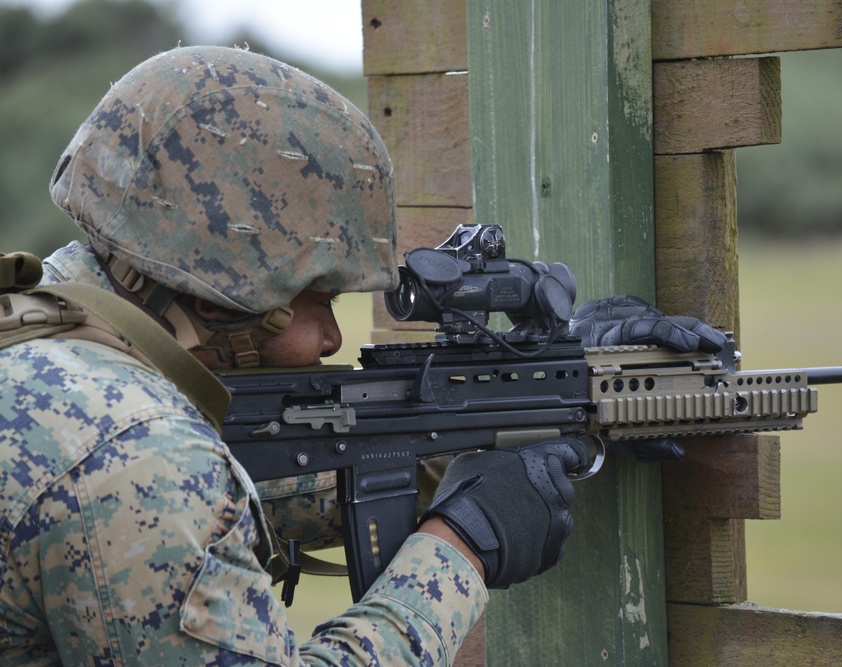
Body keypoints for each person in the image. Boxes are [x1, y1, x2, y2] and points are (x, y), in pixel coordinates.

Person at [0, 46, 725, 665]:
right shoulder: (135, 453)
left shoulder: (41, 341)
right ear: (218, 293)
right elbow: (161, 493)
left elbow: (238, 490)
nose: (331, 339)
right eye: (317, 298)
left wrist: (543, 393)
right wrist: (462, 544)